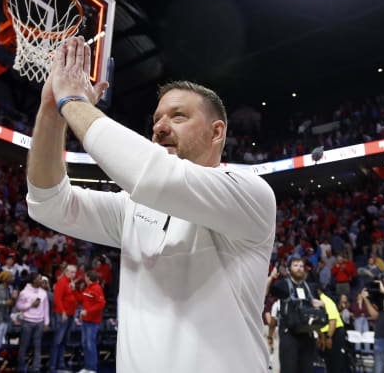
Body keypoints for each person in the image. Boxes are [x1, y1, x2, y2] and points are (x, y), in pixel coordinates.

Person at [25, 37, 276, 372]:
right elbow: (49, 203)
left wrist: (71, 99)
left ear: (217, 133)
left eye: (178, 116)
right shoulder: (134, 206)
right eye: (157, 119)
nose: (159, 127)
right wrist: (50, 111)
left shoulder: (249, 194)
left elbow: (155, 175)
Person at [269, 257, 325, 373]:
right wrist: (271, 278)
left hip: (307, 333)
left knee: (307, 369)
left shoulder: (309, 287)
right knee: (289, 369)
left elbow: (314, 309)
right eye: (295, 265)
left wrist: (320, 304)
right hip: (289, 334)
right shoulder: (283, 284)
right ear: (289, 268)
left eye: (301, 266)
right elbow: (265, 293)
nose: (299, 268)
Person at [16, 273, 50, 373]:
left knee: (37, 346)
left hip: (39, 322)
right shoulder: (24, 292)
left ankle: (36, 368)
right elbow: (18, 306)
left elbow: (46, 308)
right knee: (24, 345)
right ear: (34, 281)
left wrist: (46, 322)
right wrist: (30, 304)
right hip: (27, 321)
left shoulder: (43, 293)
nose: (41, 280)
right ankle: (21, 368)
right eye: (39, 279)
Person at [50, 264, 78, 373]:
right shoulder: (61, 282)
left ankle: (60, 365)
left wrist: (74, 289)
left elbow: (75, 298)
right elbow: (57, 299)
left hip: (70, 314)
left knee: (64, 342)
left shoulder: (71, 283)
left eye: (75, 272)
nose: (74, 274)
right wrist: (63, 312)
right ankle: (52, 367)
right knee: (57, 341)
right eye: (72, 272)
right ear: (66, 271)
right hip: (62, 314)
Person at [77, 270, 106, 373]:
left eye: (85, 277)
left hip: (92, 322)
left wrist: (88, 311)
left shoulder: (97, 288)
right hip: (85, 321)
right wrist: (74, 290)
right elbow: (81, 298)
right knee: (85, 344)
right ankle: (87, 367)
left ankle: (92, 368)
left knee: (90, 344)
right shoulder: (87, 288)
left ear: (88, 278)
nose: (84, 278)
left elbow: (101, 304)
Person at [317, 287, 345, 373]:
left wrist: (329, 337)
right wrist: (320, 336)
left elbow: (333, 320)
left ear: (319, 290)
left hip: (334, 332)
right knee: (328, 361)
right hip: (325, 333)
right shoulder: (316, 301)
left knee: (335, 361)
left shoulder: (326, 300)